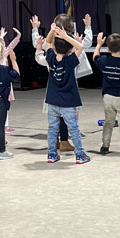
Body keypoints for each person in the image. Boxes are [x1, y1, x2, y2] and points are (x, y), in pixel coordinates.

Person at [31, 13, 93, 152]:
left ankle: (55, 145)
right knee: (69, 117)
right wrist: (87, 26)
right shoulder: (71, 45)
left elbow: (38, 43)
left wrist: (36, 29)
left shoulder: (52, 46)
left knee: (54, 120)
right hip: (69, 83)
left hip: (54, 83)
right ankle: (66, 142)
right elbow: (85, 44)